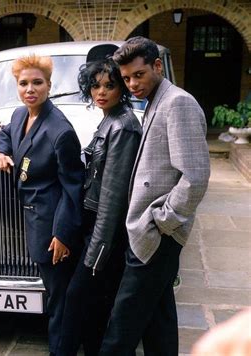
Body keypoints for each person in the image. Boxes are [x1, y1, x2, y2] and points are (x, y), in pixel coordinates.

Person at [98, 36, 210, 355]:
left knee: (122, 324)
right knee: (158, 318)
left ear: (157, 66)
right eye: (127, 78)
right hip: (149, 231)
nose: (132, 84)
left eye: (139, 75)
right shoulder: (154, 100)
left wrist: (162, 222)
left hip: (156, 234)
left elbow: (196, 176)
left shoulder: (178, 102)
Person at [0, 54, 84, 355]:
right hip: (32, 218)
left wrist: (63, 234)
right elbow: (5, 134)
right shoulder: (21, 115)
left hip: (51, 226)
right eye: (24, 83)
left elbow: (73, 188)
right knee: (54, 294)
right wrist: (0, 152)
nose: (30, 89)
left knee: (60, 300)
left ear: (49, 86)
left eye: (37, 83)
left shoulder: (61, 131)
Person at [57, 44, 142, 356]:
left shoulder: (123, 126)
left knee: (77, 299)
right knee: (94, 311)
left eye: (109, 85)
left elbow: (113, 197)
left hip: (106, 232)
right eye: (95, 85)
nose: (101, 92)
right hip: (93, 225)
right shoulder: (109, 120)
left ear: (122, 86)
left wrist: (96, 253)